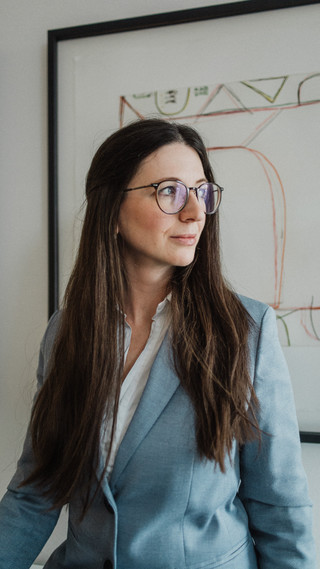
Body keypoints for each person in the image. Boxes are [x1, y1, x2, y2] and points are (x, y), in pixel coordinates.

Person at [0, 118, 317, 569]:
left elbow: (280, 510)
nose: (194, 212)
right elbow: (34, 495)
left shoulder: (246, 331)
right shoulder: (67, 330)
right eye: (169, 191)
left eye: (202, 191)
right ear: (110, 210)